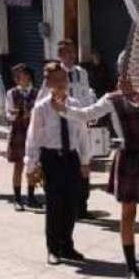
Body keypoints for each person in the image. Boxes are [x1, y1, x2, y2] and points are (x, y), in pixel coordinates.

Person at [55, 75, 139, 279]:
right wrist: (64, 109)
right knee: (128, 213)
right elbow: (86, 114)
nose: (125, 81)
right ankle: (131, 267)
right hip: (129, 157)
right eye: (122, 75)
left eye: (132, 75)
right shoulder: (112, 100)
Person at [25, 62, 91, 265]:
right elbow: (33, 137)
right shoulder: (42, 107)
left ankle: (67, 246)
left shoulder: (75, 105)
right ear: (49, 83)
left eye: (64, 79)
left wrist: (85, 160)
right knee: (54, 206)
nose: (62, 83)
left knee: (71, 205)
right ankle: (53, 249)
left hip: (71, 158)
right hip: (51, 158)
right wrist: (31, 164)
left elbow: (82, 134)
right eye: (57, 80)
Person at [38, 40, 97, 219]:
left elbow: (86, 95)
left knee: (84, 163)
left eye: (72, 51)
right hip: (60, 125)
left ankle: (83, 206)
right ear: (60, 55)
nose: (70, 55)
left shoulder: (81, 73)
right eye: (65, 52)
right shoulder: (54, 73)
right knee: (68, 168)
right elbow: (42, 97)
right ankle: (68, 206)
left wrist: (90, 114)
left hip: (79, 122)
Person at [5, 63, 41, 211]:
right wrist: (15, 114)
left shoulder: (37, 93)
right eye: (20, 77)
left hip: (32, 132)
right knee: (18, 165)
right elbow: (8, 114)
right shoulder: (11, 93)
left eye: (26, 76)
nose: (23, 79)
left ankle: (31, 196)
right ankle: (18, 198)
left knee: (32, 165)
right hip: (18, 131)